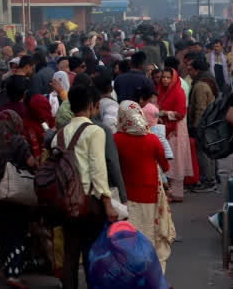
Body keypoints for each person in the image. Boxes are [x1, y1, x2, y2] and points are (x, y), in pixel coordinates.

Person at [58, 85, 118, 289]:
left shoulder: (60, 132)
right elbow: (98, 169)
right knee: (92, 252)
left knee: (70, 253)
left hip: (65, 200)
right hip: (89, 201)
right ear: (92, 105)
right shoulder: (95, 131)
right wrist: (108, 202)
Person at [114, 101, 174, 274]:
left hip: (125, 198)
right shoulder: (152, 139)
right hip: (150, 196)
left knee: (129, 240)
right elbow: (166, 166)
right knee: (150, 237)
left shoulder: (115, 139)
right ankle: (152, 276)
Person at [0, 109, 35, 288]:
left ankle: (3, 266)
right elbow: (30, 163)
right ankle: (14, 273)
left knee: (3, 231)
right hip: (17, 194)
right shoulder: (18, 141)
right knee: (18, 232)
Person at [155, 66, 192, 202]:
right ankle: (167, 192)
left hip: (176, 129)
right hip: (164, 128)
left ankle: (176, 193)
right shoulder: (160, 91)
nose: (164, 80)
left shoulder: (178, 92)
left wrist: (163, 113)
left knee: (176, 159)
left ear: (173, 78)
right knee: (166, 158)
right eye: (163, 77)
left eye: (168, 77)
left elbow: (181, 113)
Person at [187, 57, 220, 193]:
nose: (189, 72)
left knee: (204, 154)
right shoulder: (209, 79)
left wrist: (196, 127)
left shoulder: (200, 85)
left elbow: (200, 109)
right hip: (211, 124)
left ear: (197, 70)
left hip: (204, 126)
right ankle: (212, 178)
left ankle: (208, 181)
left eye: (191, 70)